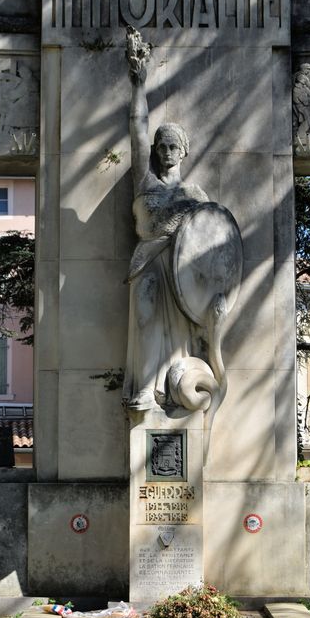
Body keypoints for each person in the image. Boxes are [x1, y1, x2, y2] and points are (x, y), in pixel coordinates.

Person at [122, 27, 208, 410]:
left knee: (178, 337)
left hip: (182, 270)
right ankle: (144, 387)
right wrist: (138, 84)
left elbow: (213, 240)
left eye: (174, 146)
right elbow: (137, 131)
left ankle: (171, 391)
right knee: (145, 320)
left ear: (184, 151)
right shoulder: (146, 181)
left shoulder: (195, 195)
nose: (167, 151)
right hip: (147, 261)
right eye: (163, 146)